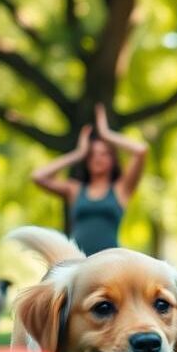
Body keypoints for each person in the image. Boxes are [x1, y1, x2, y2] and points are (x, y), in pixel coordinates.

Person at [31, 103, 147, 255]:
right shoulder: (75, 189)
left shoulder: (121, 189)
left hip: (109, 262)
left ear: (113, 160)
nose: (98, 158)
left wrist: (106, 133)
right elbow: (38, 176)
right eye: (92, 154)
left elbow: (141, 150)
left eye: (104, 153)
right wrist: (78, 153)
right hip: (76, 261)